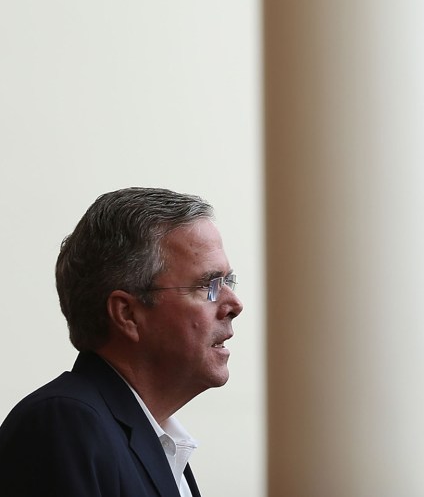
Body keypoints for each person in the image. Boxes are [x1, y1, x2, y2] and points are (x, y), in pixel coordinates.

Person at [0, 187, 244, 496]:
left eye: (227, 281)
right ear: (127, 314)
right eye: (208, 285)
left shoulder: (159, 440)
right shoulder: (64, 425)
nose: (235, 304)